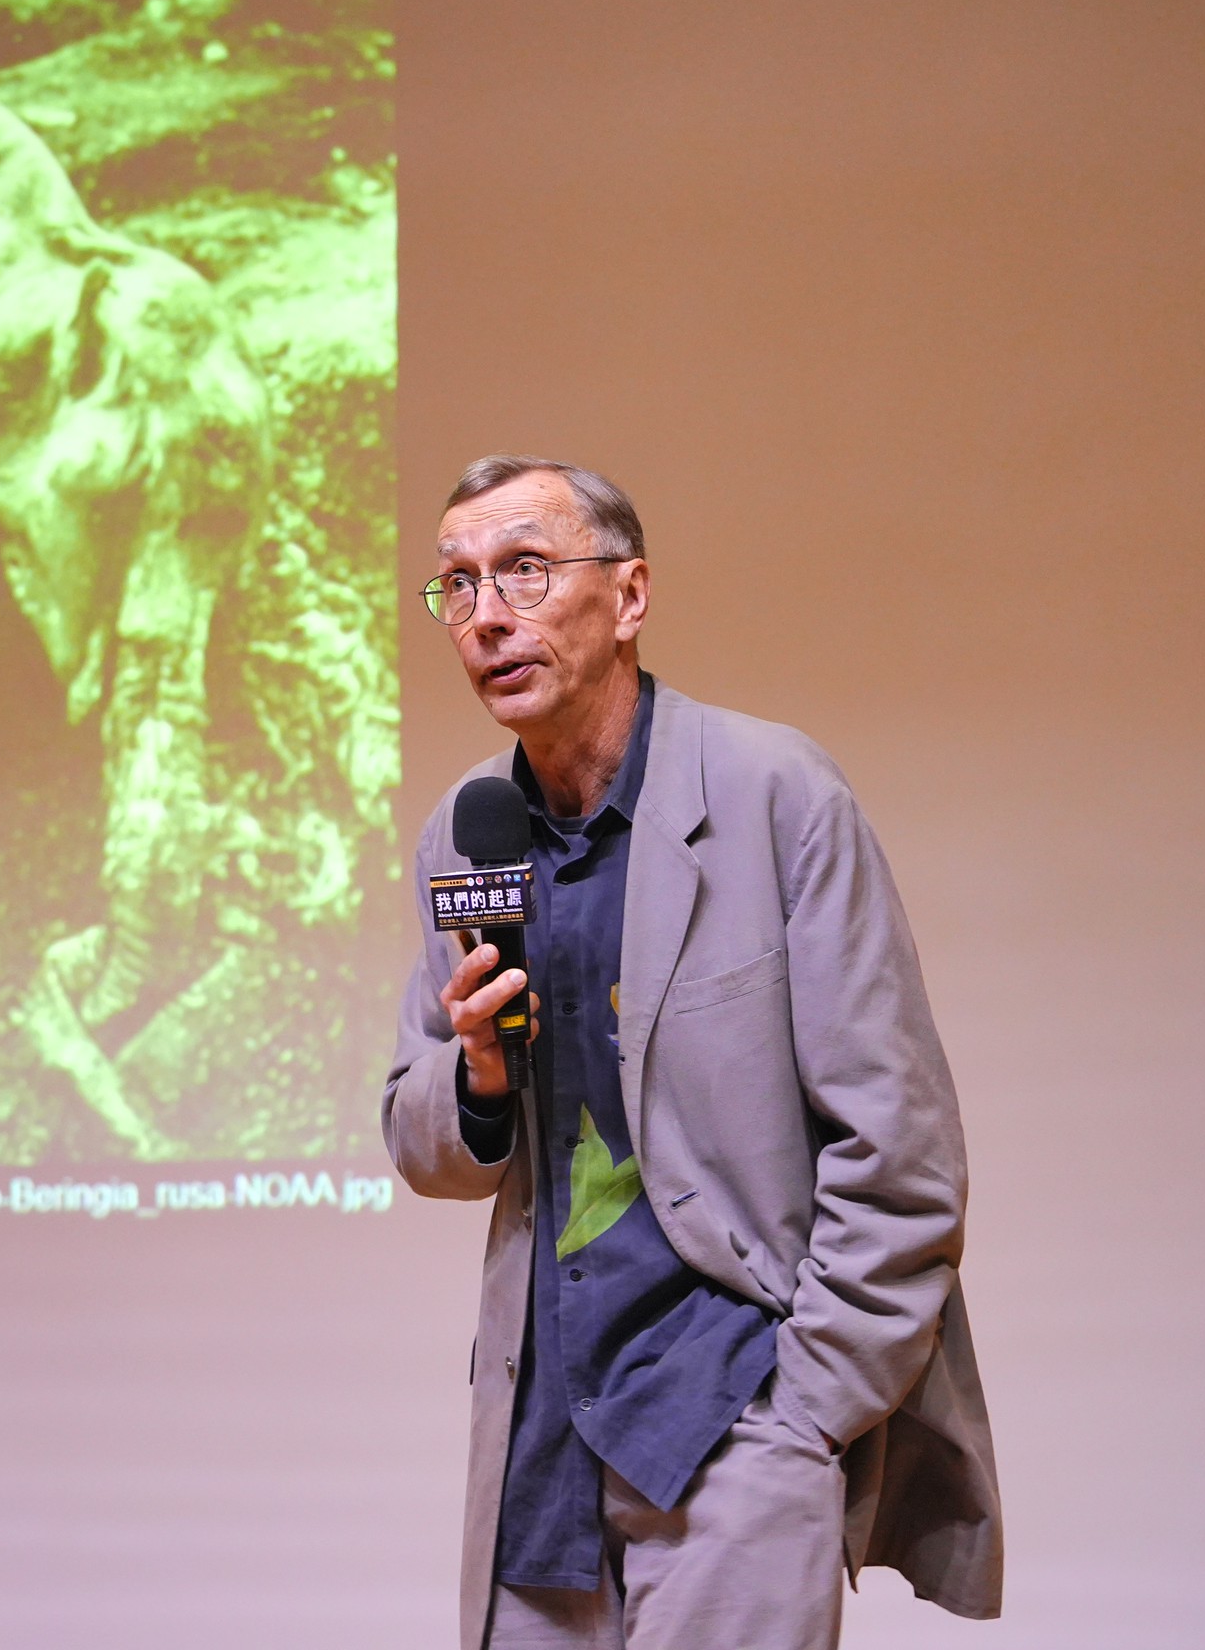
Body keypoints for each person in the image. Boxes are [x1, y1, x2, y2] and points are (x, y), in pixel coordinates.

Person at [382, 455, 1002, 1648]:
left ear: (629, 596)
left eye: (525, 569)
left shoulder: (776, 795)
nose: (487, 616)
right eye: (456, 586)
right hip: (543, 1444)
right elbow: (421, 1137)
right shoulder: (468, 835)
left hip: (728, 1419)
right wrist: (479, 1076)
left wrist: (805, 1411)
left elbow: (901, 1147)